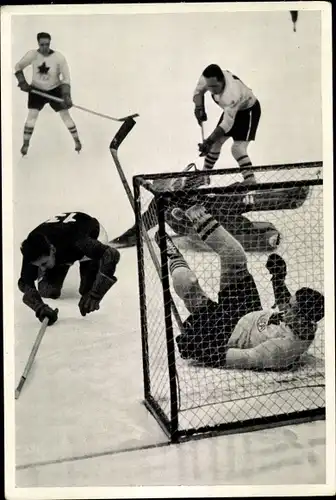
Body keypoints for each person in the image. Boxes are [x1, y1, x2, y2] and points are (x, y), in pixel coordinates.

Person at [156, 204, 324, 370]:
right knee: (235, 255)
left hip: (225, 333)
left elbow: (244, 358)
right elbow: (284, 301)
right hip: (247, 308)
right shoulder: (302, 320)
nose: (285, 306)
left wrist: (198, 350)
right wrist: (278, 278)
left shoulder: (283, 349)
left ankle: (172, 254)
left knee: (187, 280)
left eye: (291, 307)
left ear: (302, 317)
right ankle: (196, 217)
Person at [18, 211, 120, 325]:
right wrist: (39, 308)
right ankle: (63, 264)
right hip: (63, 246)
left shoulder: (77, 240)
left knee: (87, 292)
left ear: (52, 250)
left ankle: (80, 264)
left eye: (44, 263)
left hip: (90, 237)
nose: (42, 269)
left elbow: (111, 255)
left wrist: (96, 294)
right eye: (39, 266)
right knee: (48, 291)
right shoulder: (32, 247)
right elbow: (24, 283)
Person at [14, 32, 82, 156]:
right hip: (36, 90)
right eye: (42, 44)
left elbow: (66, 78)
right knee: (32, 116)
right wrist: (22, 82)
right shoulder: (32, 55)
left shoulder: (58, 57)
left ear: (50, 43)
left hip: (55, 89)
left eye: (47, 44)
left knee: (65, 115)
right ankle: (26, 143)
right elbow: (18, 66)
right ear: (38, 43)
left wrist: (66, 95)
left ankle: (76, 140)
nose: (45, 47)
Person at [193, 64, 261, 186]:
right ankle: (204, 177)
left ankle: (250, 180)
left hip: (248, 111)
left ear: (223, 80)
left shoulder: (232, 94)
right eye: (209, 87)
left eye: (215, 86)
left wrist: (208, 141)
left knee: (237, 149)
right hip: (230, 111)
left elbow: (227, 124)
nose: (212, 90)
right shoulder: (206, 78)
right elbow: (198, 92)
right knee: (215, 145)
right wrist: (199, 107)